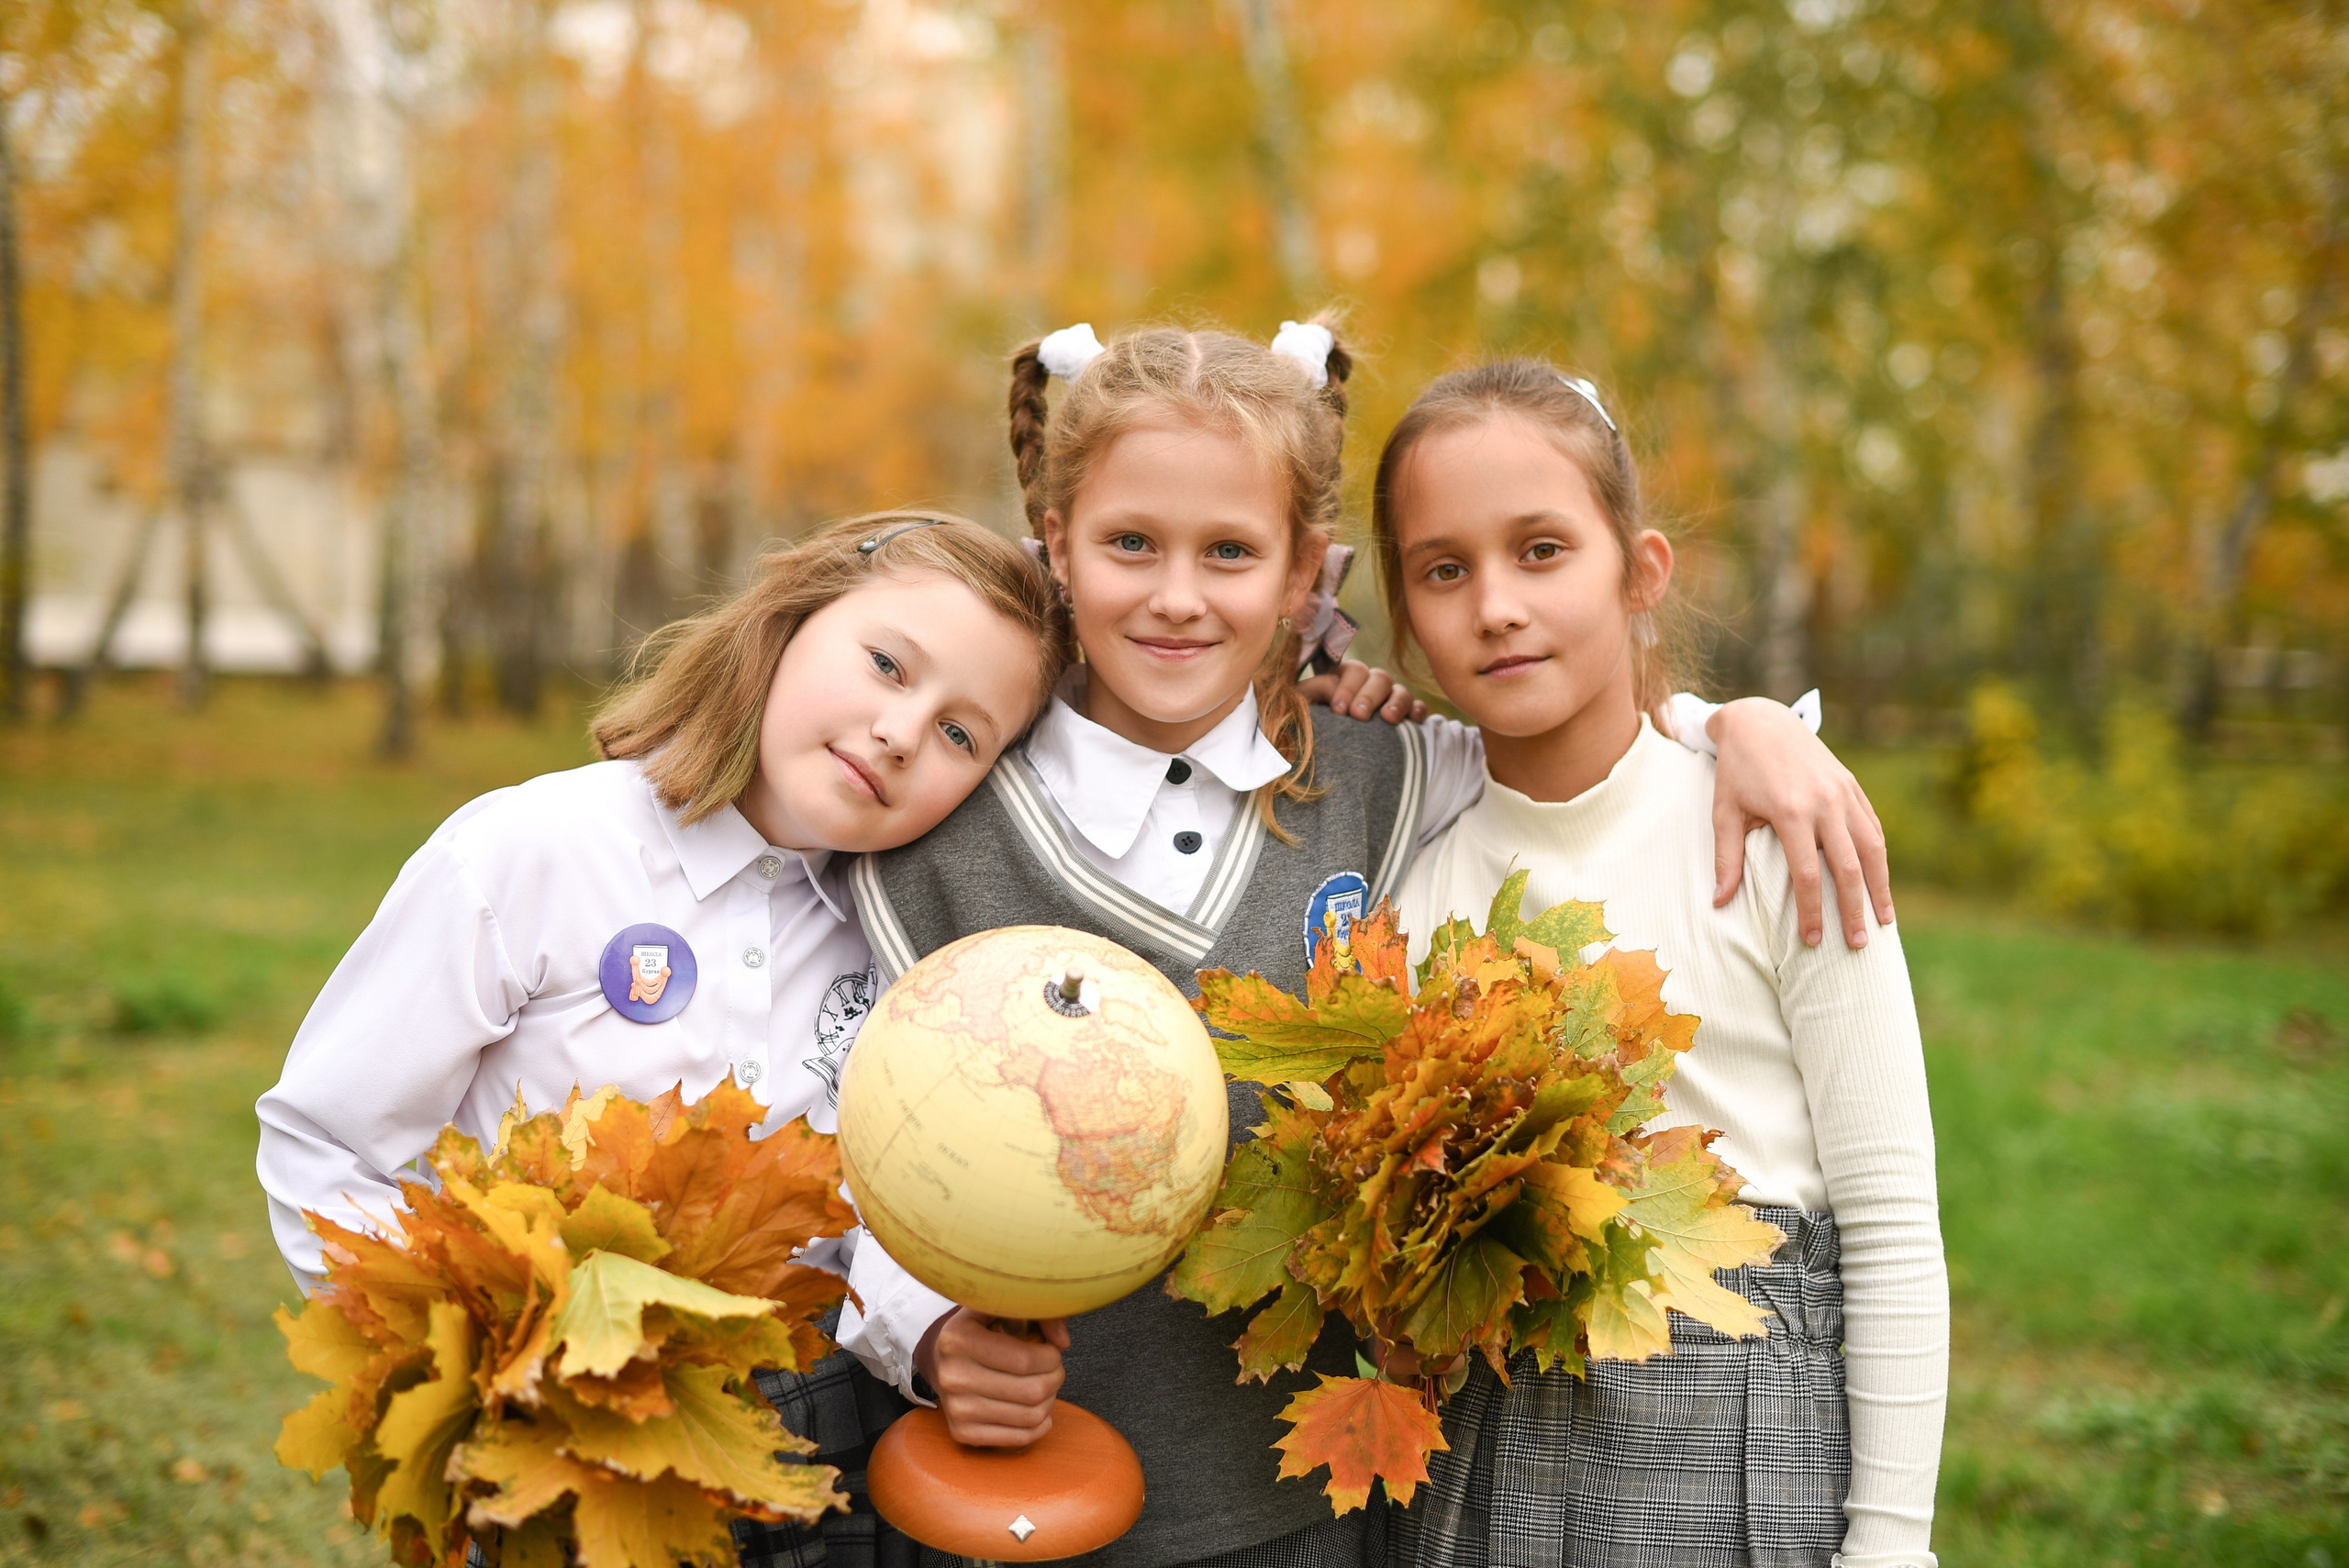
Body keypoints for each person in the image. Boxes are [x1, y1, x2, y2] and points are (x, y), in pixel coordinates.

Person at [824, 319, 1899, 1568]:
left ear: (1301, 576)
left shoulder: (1387, 783)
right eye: (1131, 544)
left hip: (1307, 1516)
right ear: (1055, 547)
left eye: (1229, 551)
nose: (1177, 594)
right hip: (1004, 1509)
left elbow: (1577, 734)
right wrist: (927, 1337)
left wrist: (1741, 725)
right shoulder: (942, 828)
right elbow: (857, 1144)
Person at [1376, 361, 1947, 1568]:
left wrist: (1892, 1547)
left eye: (1542, 550)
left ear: (1640, 571)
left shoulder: (1779, 833)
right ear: (1405, 613)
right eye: (1444, 568)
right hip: (1476, 1481)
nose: (1495, 605)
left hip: (1741, 1464)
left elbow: (1891, 1217)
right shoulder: (1411, 891)